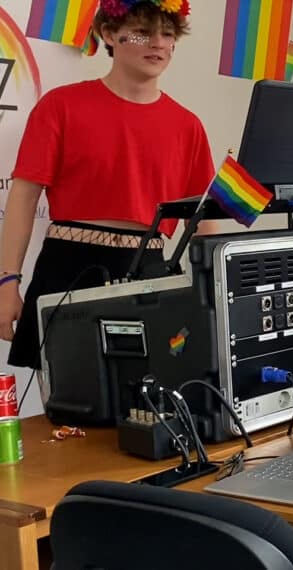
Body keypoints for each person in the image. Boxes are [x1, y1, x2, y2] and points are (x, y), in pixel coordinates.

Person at [0, 0, 213, 382]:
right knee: (69, 408)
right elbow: (23, 197)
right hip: (70, 266)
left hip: (153, 271)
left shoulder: (188, 126)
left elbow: (202, 220)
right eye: (142, 33)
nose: (158, 44)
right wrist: (7, 281)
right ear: (109, 34)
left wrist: (212, 291)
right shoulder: (60, 106)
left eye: (167, 34)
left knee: (153, 405)